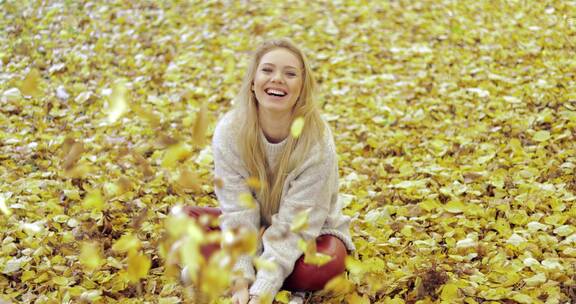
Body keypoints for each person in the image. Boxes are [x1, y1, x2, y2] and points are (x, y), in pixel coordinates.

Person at [185, 38, 355, 304]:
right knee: (183, 220)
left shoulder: (317, 140)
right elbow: (237, 209)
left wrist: (262, 288)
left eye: (290, 74)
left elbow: (297, 223)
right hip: (253, 226)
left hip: (309, 233)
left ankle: (225, 263)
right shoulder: (230, 132)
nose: (277, 79)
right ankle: (243, 261)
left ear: (302, 88)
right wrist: (240, 279)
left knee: (323, 267)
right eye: (267, 70)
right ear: (253, 82)